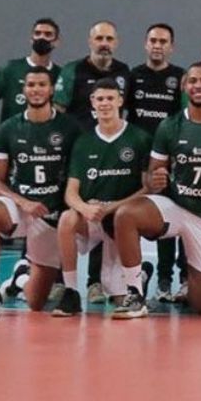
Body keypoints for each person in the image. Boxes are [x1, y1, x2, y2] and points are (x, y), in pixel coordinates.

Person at [109, 63, 201, 319]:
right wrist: (155, 179)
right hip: (177, 208)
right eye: (193, 81)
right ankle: (135, 292)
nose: (198, 86)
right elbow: (152, 176)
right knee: (126, 215)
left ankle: (193, 271)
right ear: (184, 86)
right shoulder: (170, 126)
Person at [0, 67, 80, 318]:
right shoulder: (10, 127)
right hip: (20, 207)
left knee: (35, 301)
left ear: (51, 89)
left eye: (42, 84)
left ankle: (19, 280)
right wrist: (24, 201)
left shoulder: (69, 128)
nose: (36, 89)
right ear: (24, 90)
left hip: (51, 214)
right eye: (31, 85)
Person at [53, 79, 152, 316]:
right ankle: (71, 293)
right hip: (92, 217)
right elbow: (71, 192)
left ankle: (142, 274)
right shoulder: (83, 142)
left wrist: (112, 207)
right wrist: (84, 208)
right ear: (92, 103)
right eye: (100, 99)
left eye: (110, 98)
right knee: (67, 219)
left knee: (118, 298)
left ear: (120, 100)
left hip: (121, 221)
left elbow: (147, 189)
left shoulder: (139, 138)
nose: (105, 103)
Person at [125, 23, 185, 302]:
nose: (158, 45)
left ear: (171, 46)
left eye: (163, 41)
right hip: (137, 161)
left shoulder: (179, 77)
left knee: (167, 220)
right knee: (132, 216)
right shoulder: (133, 76)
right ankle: (130, 278)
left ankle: (165, 278)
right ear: (145, 44)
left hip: (168, 162)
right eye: (153, 40)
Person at [56, 21, 131, 132]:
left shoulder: (123, 71)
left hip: (112, 141)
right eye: (99, 38)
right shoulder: (72, 70)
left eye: (109, 39)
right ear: (90, 42)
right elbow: (58, 110)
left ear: (116, 43)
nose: (104, 44)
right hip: (79, 141)